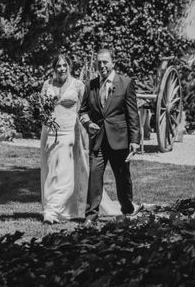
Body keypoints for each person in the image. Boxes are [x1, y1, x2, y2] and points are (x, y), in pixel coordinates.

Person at [79, 48, 142, 226]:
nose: (102, 65)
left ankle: (127, 208)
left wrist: (135, 141)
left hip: (119, 140)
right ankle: (91, 216)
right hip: (97, 140)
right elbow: (83, 111)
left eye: (105, 62)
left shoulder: (126, 83)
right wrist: (87, 123)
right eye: (99, 62)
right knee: (94, 177)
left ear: (113, 63)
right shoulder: (90, 85)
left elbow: (133, 114)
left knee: (122, 178)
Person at [39, 53, 89, 224]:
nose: (61, 69)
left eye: (64, 65)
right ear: (54, 68)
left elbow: (84, 110)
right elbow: (42, 109)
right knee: (51, 172)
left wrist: (86, 131)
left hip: (69, 133)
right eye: (58, 66)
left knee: (65, 173)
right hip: (50, 133)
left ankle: (52, 211)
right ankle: (51, 208)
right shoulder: (47, 84)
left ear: (69, 66)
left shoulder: (78, 85)